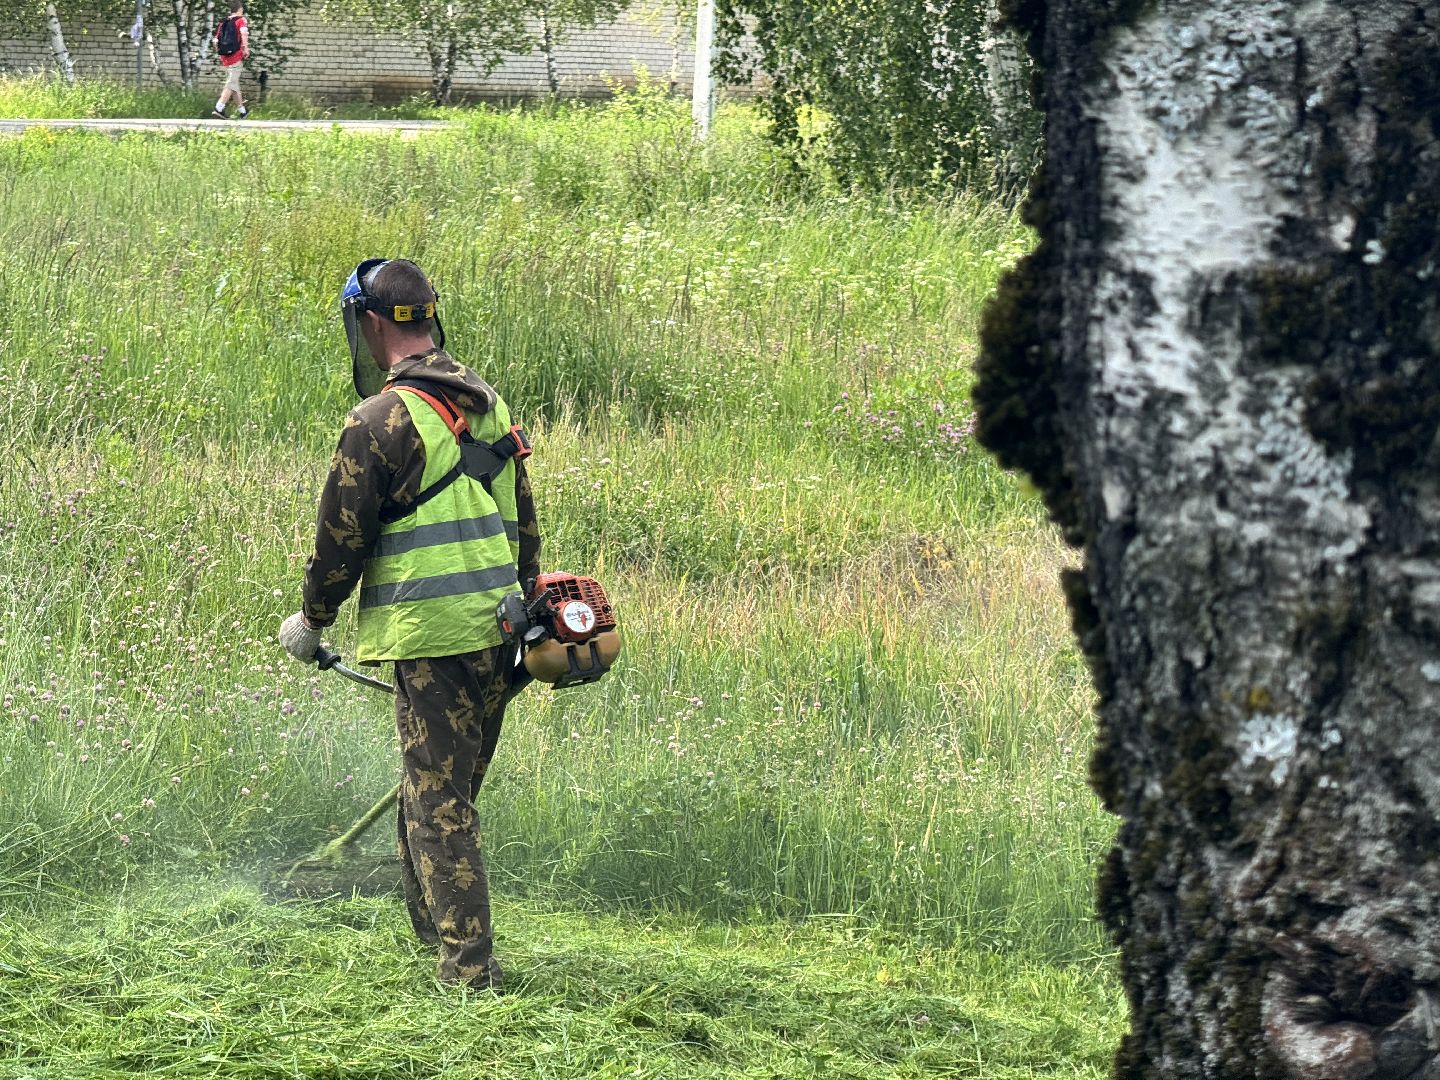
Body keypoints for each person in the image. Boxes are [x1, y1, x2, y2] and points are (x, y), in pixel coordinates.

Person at [278, 258, 542, 992]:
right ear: (428, 318)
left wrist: (312, 618)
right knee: (438, 788)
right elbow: (523, 522)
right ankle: (431, 932)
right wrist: (526, 611)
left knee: (438, 804)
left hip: (433, 636)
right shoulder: (486, 406)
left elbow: (342, 538)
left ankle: (469, 974)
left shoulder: (378, 421)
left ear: (368, 324)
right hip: (501, 629)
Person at [212, 0, 250, 120]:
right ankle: (219, 107)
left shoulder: (223, 21)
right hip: (236, 56)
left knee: (234, 83)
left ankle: (242, 111)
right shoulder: (241, 20)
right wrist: (246, 49)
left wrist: (221, 53)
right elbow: (244, 34)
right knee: (231, 83)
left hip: (225, 57)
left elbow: (215, 41)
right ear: (240, 9)